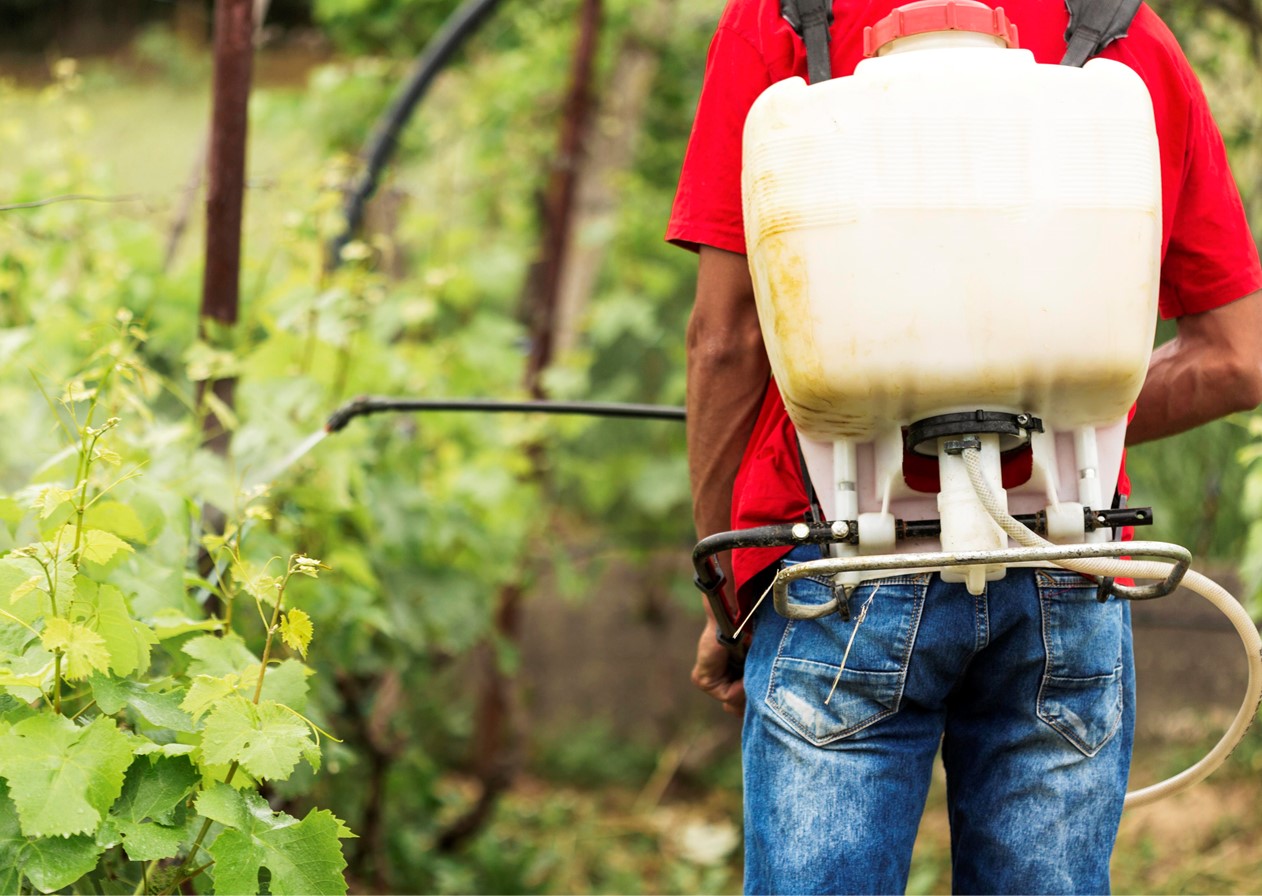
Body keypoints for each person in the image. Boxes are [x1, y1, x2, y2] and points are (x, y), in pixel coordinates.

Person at [667, 1, 1262, 892]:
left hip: (842, 562)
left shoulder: (788, 20)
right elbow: (1238, 357)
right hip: (1070, 558)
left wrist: (727, 592)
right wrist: (1041, 423)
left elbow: (728, 340)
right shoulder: (1123, 30)